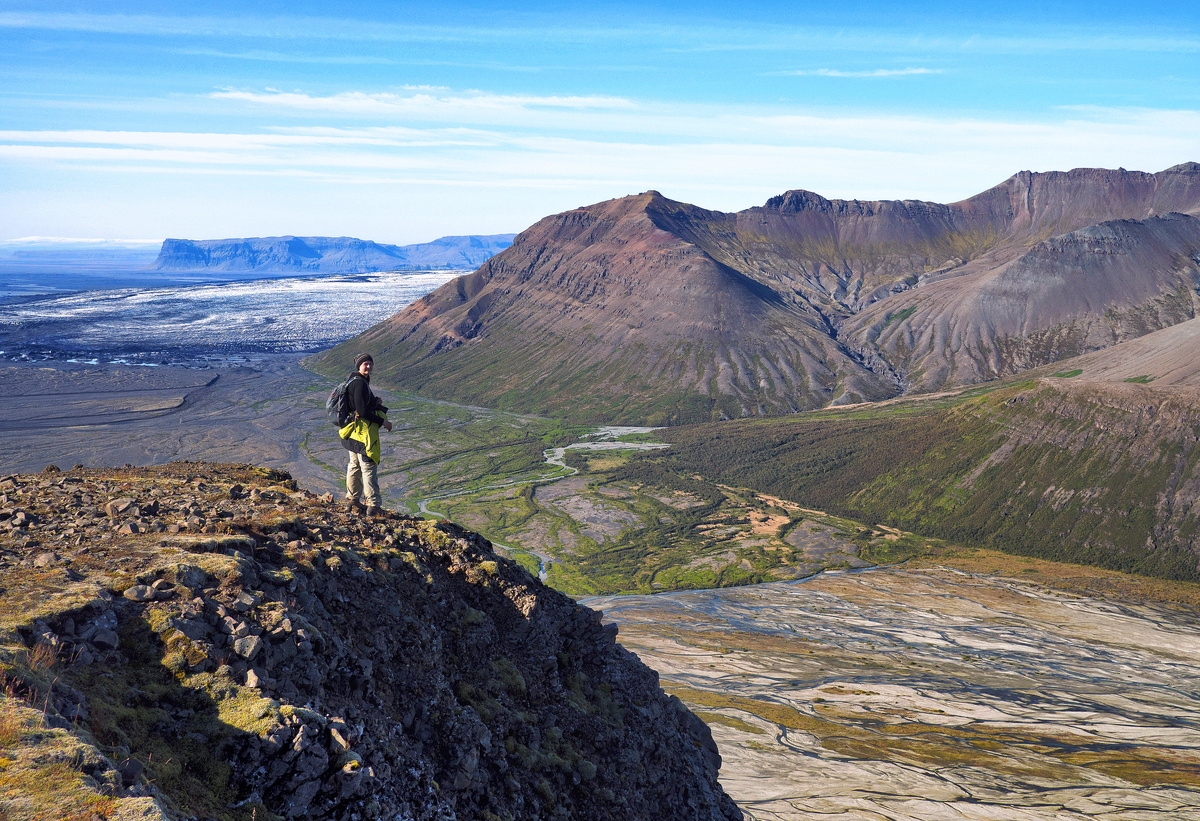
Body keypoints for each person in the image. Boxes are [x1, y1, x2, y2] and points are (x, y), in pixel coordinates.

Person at [339, 352, 393, 516]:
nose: (368, 366)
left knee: (354, 466)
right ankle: (373, 505)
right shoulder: (360, 383)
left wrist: (374, 402)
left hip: (351, 431)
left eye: (370, 363)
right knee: (368, 467)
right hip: (363, 433)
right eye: (365, 364)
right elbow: (362, 411)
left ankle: (352, 500)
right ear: (359, 366)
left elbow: (358, 404)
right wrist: (383, 422)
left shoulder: (353, 380)